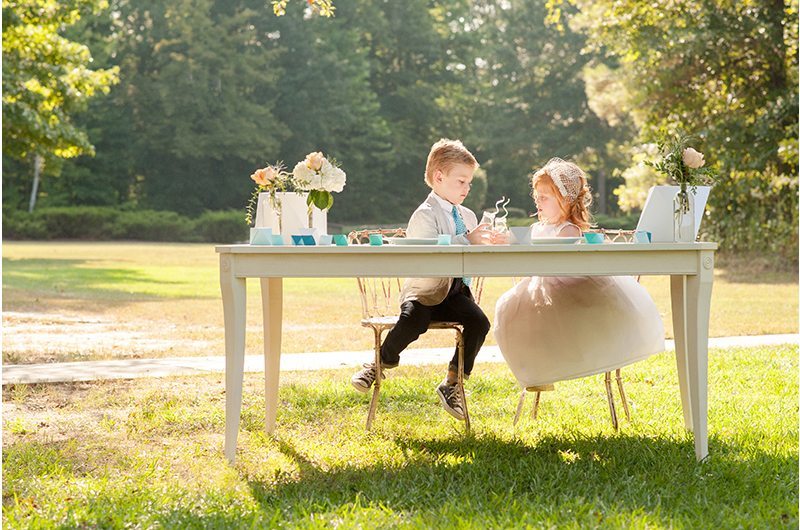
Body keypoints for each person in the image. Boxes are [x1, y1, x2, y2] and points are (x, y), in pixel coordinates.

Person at [351, 138, 506, 421]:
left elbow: (472, 252)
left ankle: (453, 382)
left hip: (455, 293)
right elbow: (430, 253)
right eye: (461, 181)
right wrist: (466, 239)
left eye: (469, 182)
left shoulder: (468, 215)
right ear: (438, 177)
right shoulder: (425, 215)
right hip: (424, 290)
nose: (467, 188)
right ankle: (379, 362)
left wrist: (490, 243)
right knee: (413, 319)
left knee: (479, 322)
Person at [494, 157, 665, 390]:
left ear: (564, 200)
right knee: (507, 308)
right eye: (537, 197)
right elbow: (530, 253)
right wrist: (510, 241)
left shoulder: (568, 230)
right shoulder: (537, 227)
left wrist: (520, 242)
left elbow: (552, 262)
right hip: (538, 289)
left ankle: (541, 370)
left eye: (544, 197)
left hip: (566, 289)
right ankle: (535, 372)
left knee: (524, 313)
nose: (538, 202)